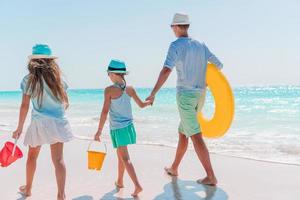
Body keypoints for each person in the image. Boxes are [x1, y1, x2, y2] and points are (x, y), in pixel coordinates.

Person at [146, 13, 223, 186]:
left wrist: (153, 93)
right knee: (183, 132)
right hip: (200, 95)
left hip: (185, 97)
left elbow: (166, 70)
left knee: (195, 135)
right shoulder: (201, 44)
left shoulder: (175, 45)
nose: (171, 29)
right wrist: (206, 82)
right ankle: (174, 167)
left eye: (171, 26)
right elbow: (218, 65)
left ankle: (211, 176)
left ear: (177, 26)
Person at [12, 44, 73, 200]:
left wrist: (19, 127)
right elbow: (65, 102)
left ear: (33, 61)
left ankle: (28, 189)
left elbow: (25, 105)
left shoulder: (29, 79)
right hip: (58, 121)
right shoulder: (59, 78)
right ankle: (61, 194)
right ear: (50, 61)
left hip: (39, 123)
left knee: (32, 157)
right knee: (58, 160)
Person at [94, 59, 152, 196]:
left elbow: (104, 112)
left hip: (118, 129)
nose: (108, 76)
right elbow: (142, 105)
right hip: (128, 127)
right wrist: (150, 102)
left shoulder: (109, 90)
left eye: (108, 73)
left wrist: (99, 132)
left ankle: (137, 186)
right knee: (120, 156)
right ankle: (120, 181)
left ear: (114, 74)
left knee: (125, 158)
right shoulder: (130, 89)